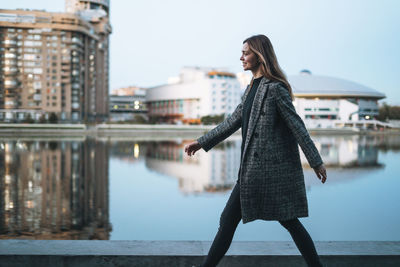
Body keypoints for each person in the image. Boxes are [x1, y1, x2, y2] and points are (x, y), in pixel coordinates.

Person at [184, 34, 327, 267]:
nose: (241, 57)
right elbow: (231, 122)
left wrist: (316, 161)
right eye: (242, 53)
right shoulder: (251, 88)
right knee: (231, 220)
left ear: (260, 56)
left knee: (284, 221)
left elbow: (297, 126)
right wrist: (201, 143)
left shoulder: (275, 88)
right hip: (250, 172)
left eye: (246, 52)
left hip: (270, 173)